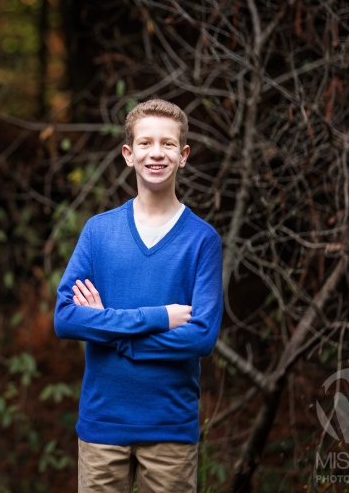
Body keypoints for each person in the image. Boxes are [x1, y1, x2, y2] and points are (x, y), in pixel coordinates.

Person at [54, 99, 223, 492]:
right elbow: (65, 318)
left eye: (167, 144)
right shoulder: (98, 232)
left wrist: (110, 332)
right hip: (102, 423)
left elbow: (201, 336)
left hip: (170, 426)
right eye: (145, 143)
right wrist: (157, 317)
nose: (156, 153)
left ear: (183, 156)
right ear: (129, 155)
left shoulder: (202, 241)